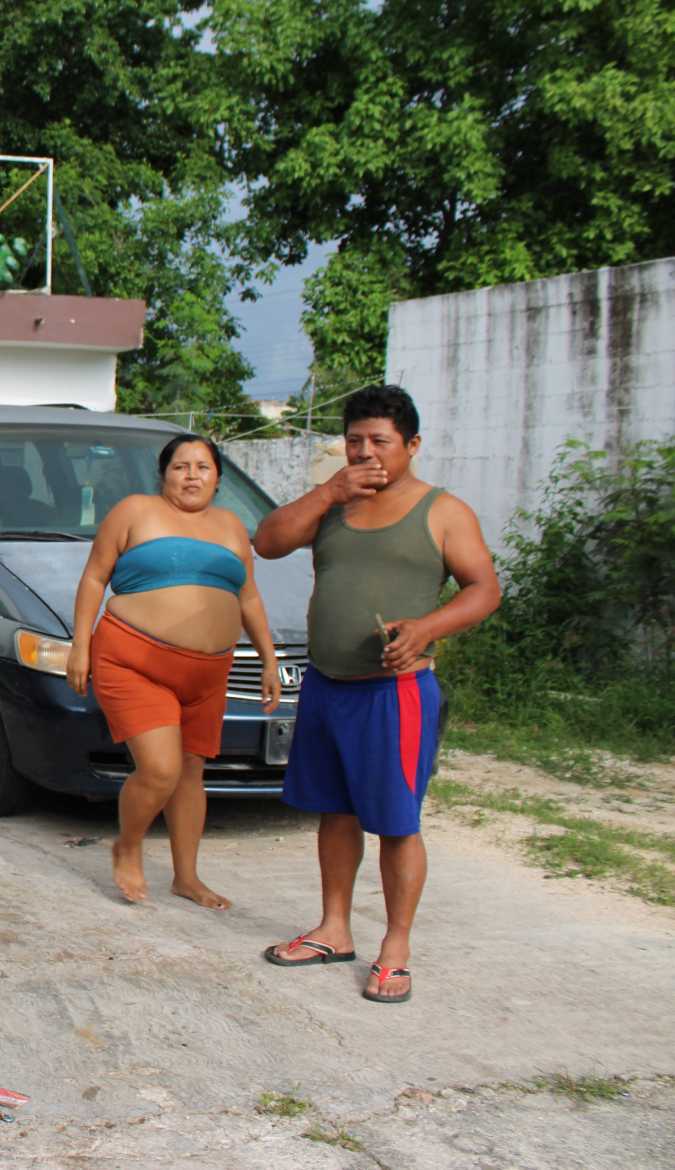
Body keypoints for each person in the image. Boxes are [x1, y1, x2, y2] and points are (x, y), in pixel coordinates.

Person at [254, 386, 501, 1004]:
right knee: (334, 813)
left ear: (411, 446)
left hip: (395, 694)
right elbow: (269, 540)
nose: (367, 453)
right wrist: (329, 491)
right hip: (326, 686)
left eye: (380, 442)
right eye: (356, 441)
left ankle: (396, 947)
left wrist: (427, 627)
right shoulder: (335, 502)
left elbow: (483, 589)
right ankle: (334, 928)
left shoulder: (442, 511)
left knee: (395, 821)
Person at [67, 435, 282, 909]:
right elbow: (94, 577)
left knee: (190, 773)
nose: (191, 475)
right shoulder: (134, 512)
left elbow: (247, 598)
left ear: (218, 479)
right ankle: (128, 843)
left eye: (203, 467)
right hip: (133, 660)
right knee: (160, 769)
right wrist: (79, 645)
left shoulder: (231, 527)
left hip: (208, 674)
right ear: (163, 475)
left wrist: (269, 660)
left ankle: (187, 877)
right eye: (181, 466)